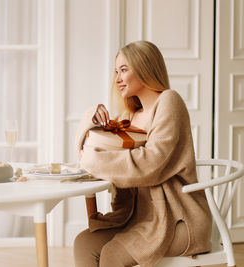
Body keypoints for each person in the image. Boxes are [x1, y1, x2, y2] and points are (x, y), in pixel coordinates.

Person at [73, 41, 212, 267]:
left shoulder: (169, 101)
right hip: (139, 217)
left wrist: (94, 161)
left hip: (177, 219)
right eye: (116, 71)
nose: (117, 78)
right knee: (84, 243)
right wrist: (90, 119)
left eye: (124, 70)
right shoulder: (131, 116)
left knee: (112, 255)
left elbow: (151, 163)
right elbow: (89, 157)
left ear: (145, 67)